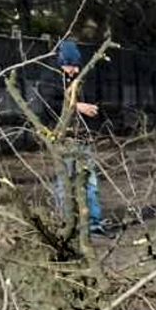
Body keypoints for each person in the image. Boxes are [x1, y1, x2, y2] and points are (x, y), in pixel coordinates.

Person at [54, 40, 105, 234]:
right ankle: (65, 222)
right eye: (70, 66)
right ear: (61, 63)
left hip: (83, 138)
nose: (73, 70)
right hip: (63, 140)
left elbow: (94, 99)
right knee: (64, 182)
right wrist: (76, 106)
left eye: (76, 66)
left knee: (90, 181)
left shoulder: (83, 78)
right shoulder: (50, 79)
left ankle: (93, 222)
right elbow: (51, 104)